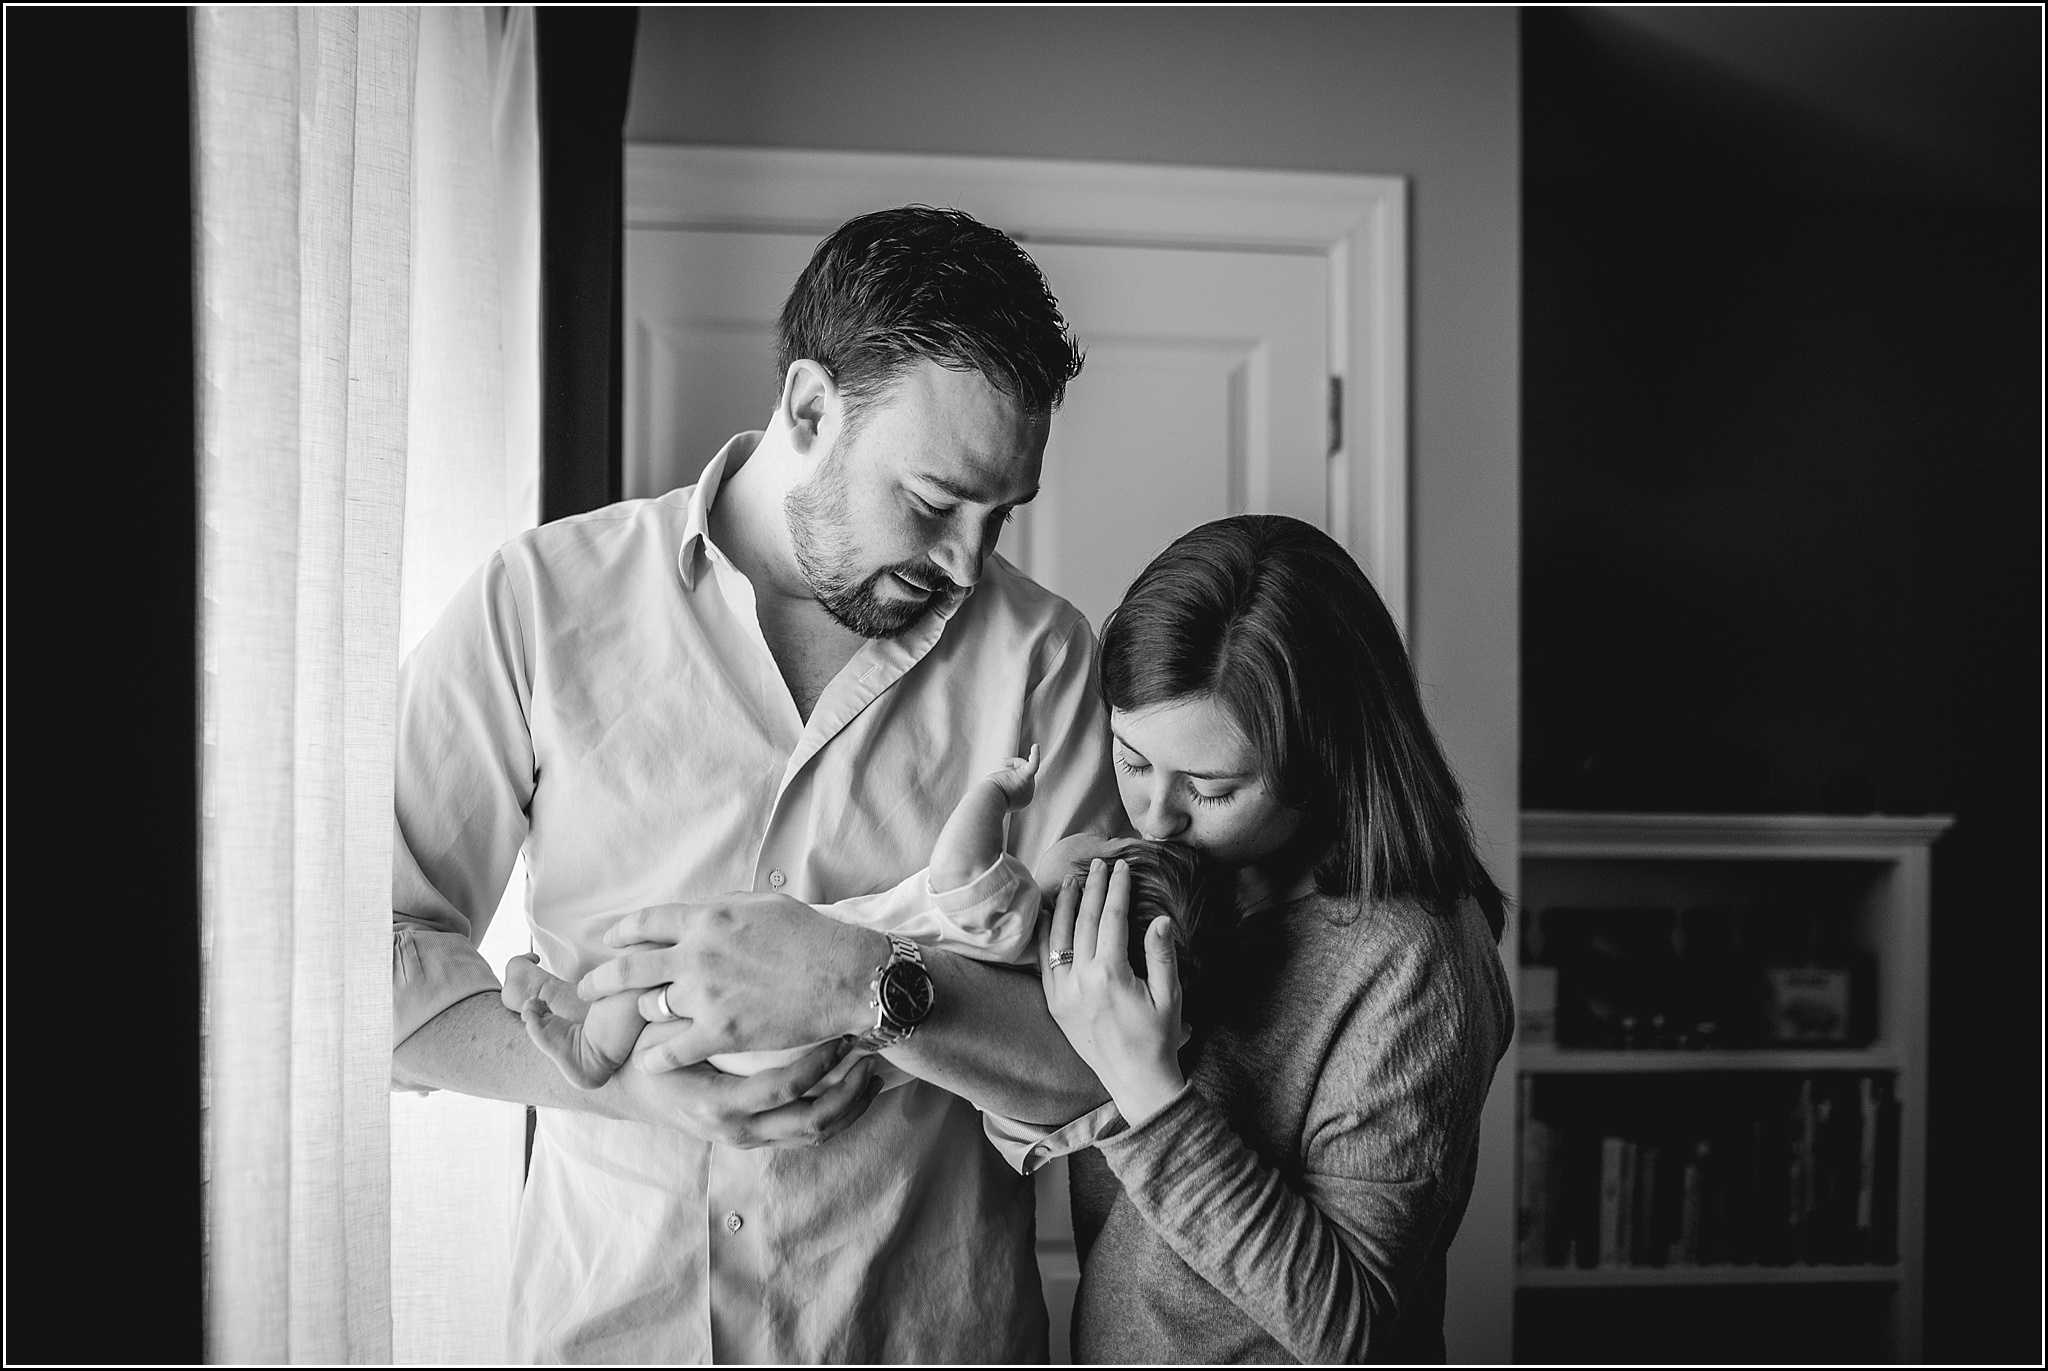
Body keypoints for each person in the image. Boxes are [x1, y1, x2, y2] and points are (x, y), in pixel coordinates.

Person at [389, 207, 1130, 1362]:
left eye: (999, 517)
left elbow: (1095, 1064)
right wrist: (625, 1087)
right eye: (933, 502)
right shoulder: (536, 604)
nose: (966, 562)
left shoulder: (1043, 658)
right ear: (807, 409)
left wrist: (863, 981)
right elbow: (364, 969)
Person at [1036, 514, 1516, 1363]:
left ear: (1322, 761)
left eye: (1211, 788)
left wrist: (1151, 1089)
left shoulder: (1415, 960)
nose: (1154, 816)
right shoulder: (1185, 882)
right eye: (1133, 760)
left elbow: (1348, 1327)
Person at [509, 746, 1220, 1094]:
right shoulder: (1039, 988)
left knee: (661, 970)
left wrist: (1000, 792)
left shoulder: (1011, 915)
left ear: (1095, 891)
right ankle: (590, 1025)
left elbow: (959, 862)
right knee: (664, 1003)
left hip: (783, 1003)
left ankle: (591, 1045)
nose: (1093, 830)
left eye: (1104, 841)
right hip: (809, 1053)